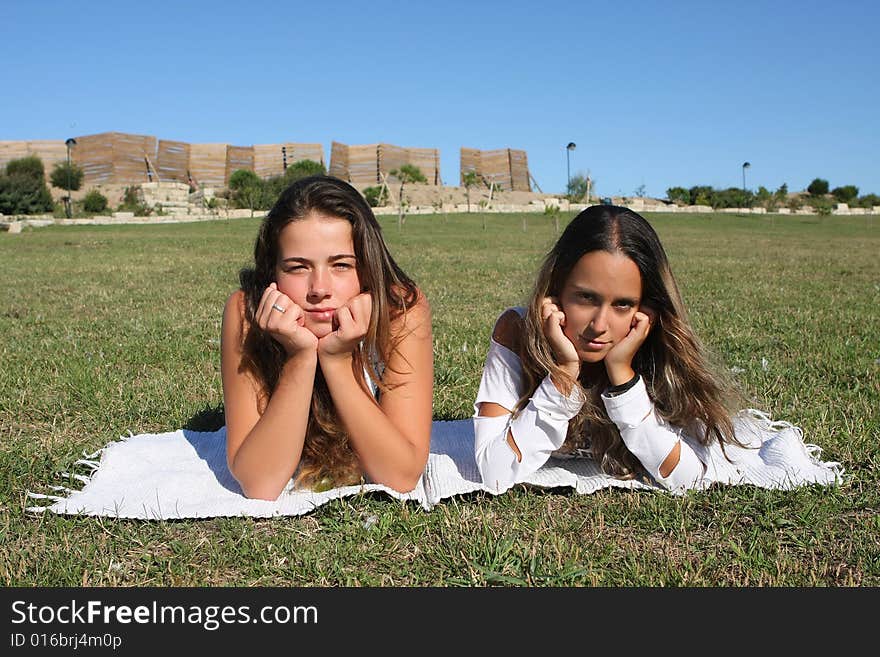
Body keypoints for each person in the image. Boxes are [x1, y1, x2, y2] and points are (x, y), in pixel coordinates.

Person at [474, 204, 750, 493]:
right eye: (585, 297)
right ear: (556, 290)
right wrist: (563, 376)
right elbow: (493, 472)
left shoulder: (658, 346)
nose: (599, 325)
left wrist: (622, 376)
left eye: (623, 304)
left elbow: (689, 479)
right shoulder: (518, 331)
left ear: (645, 308)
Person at [221, 175, 433, 500]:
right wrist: (299, 357)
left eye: (342, 265)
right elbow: (259, 483)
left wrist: (337, 360)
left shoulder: (400, 311)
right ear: (272, 273)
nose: (320, 289)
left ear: (367, 267)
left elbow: (401, 475)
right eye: (298, 267)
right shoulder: (247, 312)